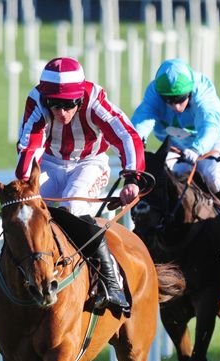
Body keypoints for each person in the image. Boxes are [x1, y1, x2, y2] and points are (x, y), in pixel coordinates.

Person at [16, 57, 144, 315]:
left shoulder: (95, 99)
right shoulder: (37, 100)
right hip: (51, 163)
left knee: (73, 203)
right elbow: (29, 146)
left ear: (79, 99)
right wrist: (24, 186)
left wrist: (132, 178)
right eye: (55, 104)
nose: (61, 112)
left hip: (89, 163)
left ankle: (111, 279)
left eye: (68, 105)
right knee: (28, 212)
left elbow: (126, 135)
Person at [131, 58, 220, 218]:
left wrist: (197, 149)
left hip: (213, 144)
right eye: (169, 101)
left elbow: (210, 126)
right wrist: (135, 141)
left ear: (190, 91)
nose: (176, 107)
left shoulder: (203, 91)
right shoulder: (155, 92)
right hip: (178, 147)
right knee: (161, 182)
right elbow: (142, 119)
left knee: (214, 179)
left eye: (180, 100)